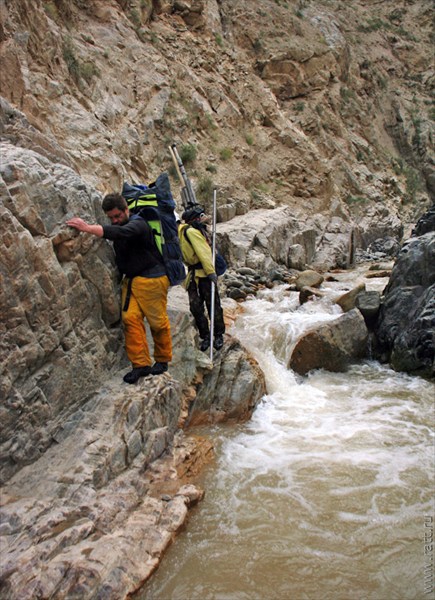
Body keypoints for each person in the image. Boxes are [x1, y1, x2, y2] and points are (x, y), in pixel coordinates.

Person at [66, 193, 172, 384]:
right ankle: (141, 365)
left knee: (157, 322)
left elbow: (122, 233)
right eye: (111, 218)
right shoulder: (120, 225)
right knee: (130, 320)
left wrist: (87, 228)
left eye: (117, 216)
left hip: (152, 280)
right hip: (131, 282)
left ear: (126, 210)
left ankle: (163, 360)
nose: (115, 221)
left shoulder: (138, 224)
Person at [178, 205, 225, 352]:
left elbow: (203, 252)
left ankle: (218, 334)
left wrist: (211, 272)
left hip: (204, 273)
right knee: (196, 307)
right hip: (193, 274)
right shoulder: (183, 232)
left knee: (213, 305)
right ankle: (205, 335)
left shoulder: (191, 232)